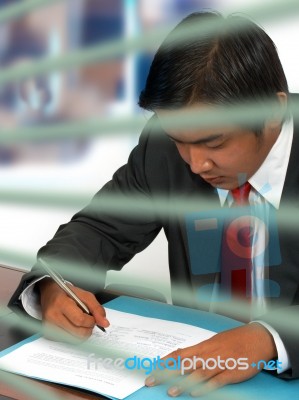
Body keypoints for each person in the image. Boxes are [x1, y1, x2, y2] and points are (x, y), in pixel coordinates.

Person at [9, 11, 299, 397]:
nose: (196, 164)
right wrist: (53, 286)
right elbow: (99, 229)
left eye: (214, 143)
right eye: (181, 140)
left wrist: (267, 341)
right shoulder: (163, 148)